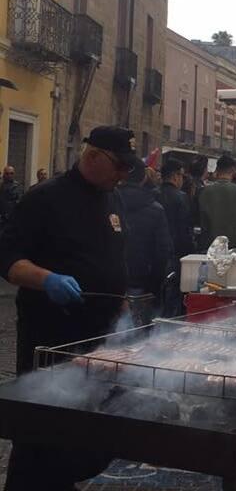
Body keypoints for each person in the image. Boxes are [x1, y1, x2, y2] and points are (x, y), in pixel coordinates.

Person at [0, 125, 137, 490]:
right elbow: (8, 259)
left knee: (84, 429)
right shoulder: (44, 198)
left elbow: (114, 256)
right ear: (94, 157)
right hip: (51, 338)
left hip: (98, 339)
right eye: (120, 166)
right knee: (40, 430)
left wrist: (121, 302)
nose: (125, 175)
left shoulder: (113, 198)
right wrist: (47, 279)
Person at [118, 157, 172, 304]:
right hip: (143, 281)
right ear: (143, 179)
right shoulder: (156, 209)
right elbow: (162, 251)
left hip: (110, 282)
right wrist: (155, 284)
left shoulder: (107, 202)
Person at [158, 159, 194, 316]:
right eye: (182, 176)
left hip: (157, 253)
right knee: (173, 298)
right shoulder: (181, 197)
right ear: (175, 176)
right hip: (176, 255)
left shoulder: (153, 194)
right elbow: (185, 229)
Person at [197, 154, 236, 250]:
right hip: (235, 247)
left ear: (217, 169)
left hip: (209, 247)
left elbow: (196, 219)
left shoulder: (202, 192)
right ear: (233, 170)